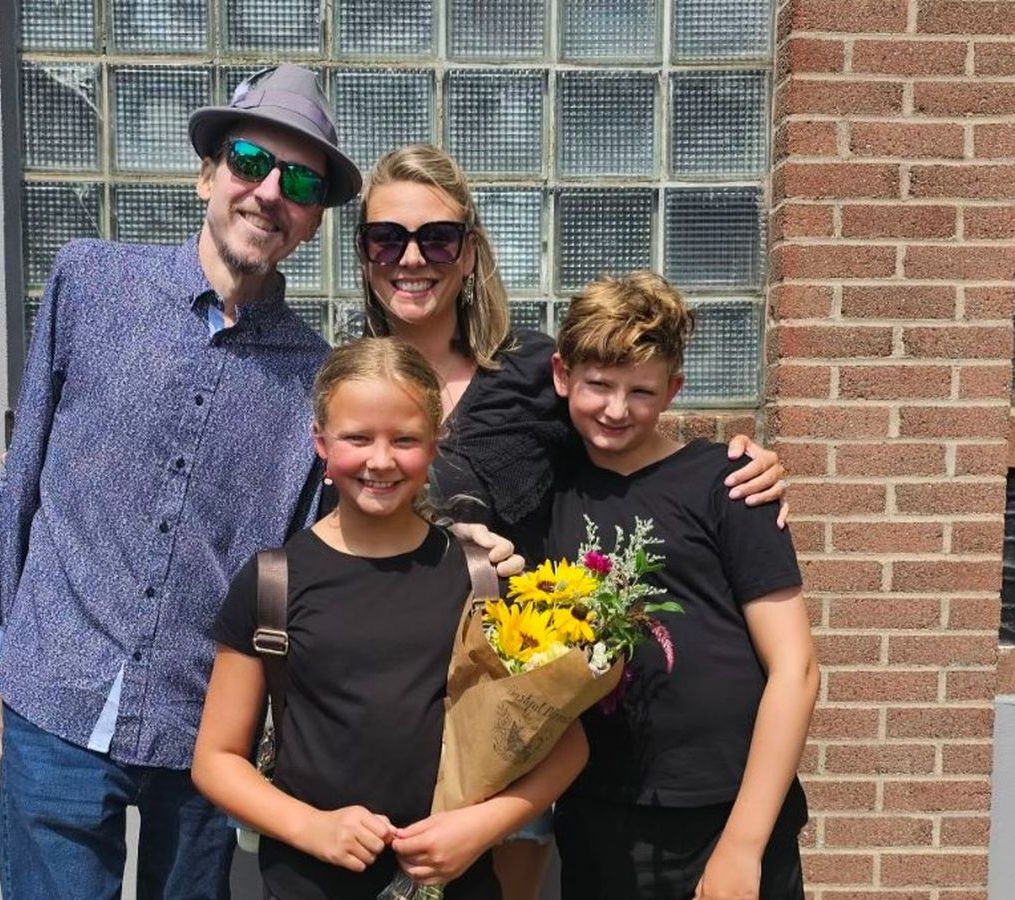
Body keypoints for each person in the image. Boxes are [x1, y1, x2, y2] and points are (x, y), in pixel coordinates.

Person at [0, 65, 365, 899]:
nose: (270, 193)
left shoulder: (317, 379)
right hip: (53, 694)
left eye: (301, 182)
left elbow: (306, 569)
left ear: (313, 221)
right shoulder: (89, 283)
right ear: (207, 174)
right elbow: (21, 481)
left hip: (201, 732)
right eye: (249, 162)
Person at [353, 144, 792, 897]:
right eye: (387, 238)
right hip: (391, 702)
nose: (412, 258)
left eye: (438, 238)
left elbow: (627, 427)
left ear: (469, 252)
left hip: (522, 713)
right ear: (364, 251)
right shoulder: (348, 378)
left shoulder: (533, 371)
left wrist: (742, 464)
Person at [192, 337, 589, 900]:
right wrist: (311, 827)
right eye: (357, 438)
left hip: (457, 885)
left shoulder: (479, 579)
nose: (380, 460)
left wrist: (479, 828)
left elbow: (568, 747)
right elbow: (216, 759)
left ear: (434, 444)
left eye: (404, 440)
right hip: (310, 887)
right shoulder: (272, 582)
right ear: (321, 443)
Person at [546, 272, 819, 899]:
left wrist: (743, 846)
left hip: (725, 810)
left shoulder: (729, 484)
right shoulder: (544, 485)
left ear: (673, 390)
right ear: (563, 374)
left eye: (641, 391)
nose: (616, 409)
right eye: (598, 385)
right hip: (598, 811)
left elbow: (796, 668)